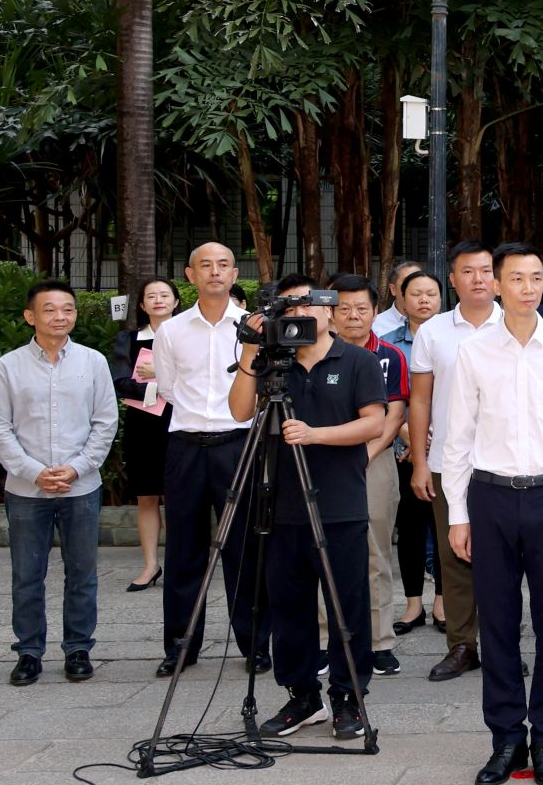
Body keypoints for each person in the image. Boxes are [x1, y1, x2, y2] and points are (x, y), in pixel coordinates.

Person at [442, 244, 543, 785]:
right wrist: (458, 514)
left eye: (536, 277)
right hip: (490, 497)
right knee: (498, 623)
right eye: (516, 278)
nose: (528, 287)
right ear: (496, 284)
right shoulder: (474, 351)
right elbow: (457, 436)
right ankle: (506, 738)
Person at [229, 274, 387, 740]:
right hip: (281, 505)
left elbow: (374, 424)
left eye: (306, 304)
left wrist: (315, 435)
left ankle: (348, 697)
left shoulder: (356, 360)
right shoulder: (273, 362)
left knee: (346, 606)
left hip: (340, 504)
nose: (298, 314)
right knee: (289, 606)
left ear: (327, 309)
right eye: (288, 307)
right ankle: (301, 695)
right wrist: (250, 350)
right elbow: (239, 411)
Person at [0, 280, 117, 686]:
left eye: (67, 309)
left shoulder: (93, 361)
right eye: (50, 309)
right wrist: (34, 472)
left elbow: (105, 422)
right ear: (30, 316)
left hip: (82, 487)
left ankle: (78, 649)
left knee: (83, 574)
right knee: (27, 575)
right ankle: (29, 653)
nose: (60, 316)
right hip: (26, 490)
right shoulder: (8, 366)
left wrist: (77, 468)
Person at [150, 242, 259, 676]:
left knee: (245, 547)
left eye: (223, 265)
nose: (215, 271)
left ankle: (255, 643)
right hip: (186, 446)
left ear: (234, 275)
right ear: (190, 275)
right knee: (184, 549)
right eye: (205, 265)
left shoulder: (252, 327)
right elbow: (168, 387)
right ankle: (181, 645)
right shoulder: (171, 330)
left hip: (238, 445)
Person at [408, 241, 501, 682]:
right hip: (450, 462)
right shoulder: (433, 332)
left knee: (502, 559)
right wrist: (420, 462)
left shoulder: (518, 324)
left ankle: (501, 645)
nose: (478, 279)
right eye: (468, 271)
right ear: (452, 279)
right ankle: (462, 645)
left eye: (485, 270)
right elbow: (420, 400)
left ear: (497, 279)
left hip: (505, 463)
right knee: (454, 555)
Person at [329, 274, 411, 677]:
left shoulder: (390, 356)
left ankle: (379, 642)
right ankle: (326, 638)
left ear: (375, 311)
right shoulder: (314, 353)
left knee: (375, 552)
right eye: (343, 308)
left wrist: (365, 454)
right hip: (324, 459)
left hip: (373, 460)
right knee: (323, 551)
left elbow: (395, 415)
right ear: (330, 312)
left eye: (361, 308)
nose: (353, 315)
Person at [384, 269, 443, 634]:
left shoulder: (454, 340)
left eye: (430, 294)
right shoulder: (388, 345)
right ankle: (412, 605)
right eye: (416, 294)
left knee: (444, 525)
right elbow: (384, 398)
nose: (423, 300)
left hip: (446, 448)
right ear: (402, 300)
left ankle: (442, 602)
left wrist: (433, 438)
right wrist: (412, 438)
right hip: (403, 449)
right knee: (409, 528)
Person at [110, 277, 178, 592]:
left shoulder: (187, 338)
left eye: (164, 295)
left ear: (176, 302)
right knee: (147, 497)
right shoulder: (129, 339)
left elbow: (201, 378)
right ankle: (151, 564)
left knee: (179, 498)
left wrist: (156, 375)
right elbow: (122, 382)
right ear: (142, 305)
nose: (158, 300)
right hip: (143, 426)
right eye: (151, 296)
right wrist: (160, 384)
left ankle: (180, 565)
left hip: (181, 423)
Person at [373, 259, 423, 337]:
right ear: (393, 289)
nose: (415, 287)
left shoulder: (437, 323)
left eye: (419, 281)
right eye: (408, 282)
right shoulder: (375, 326)